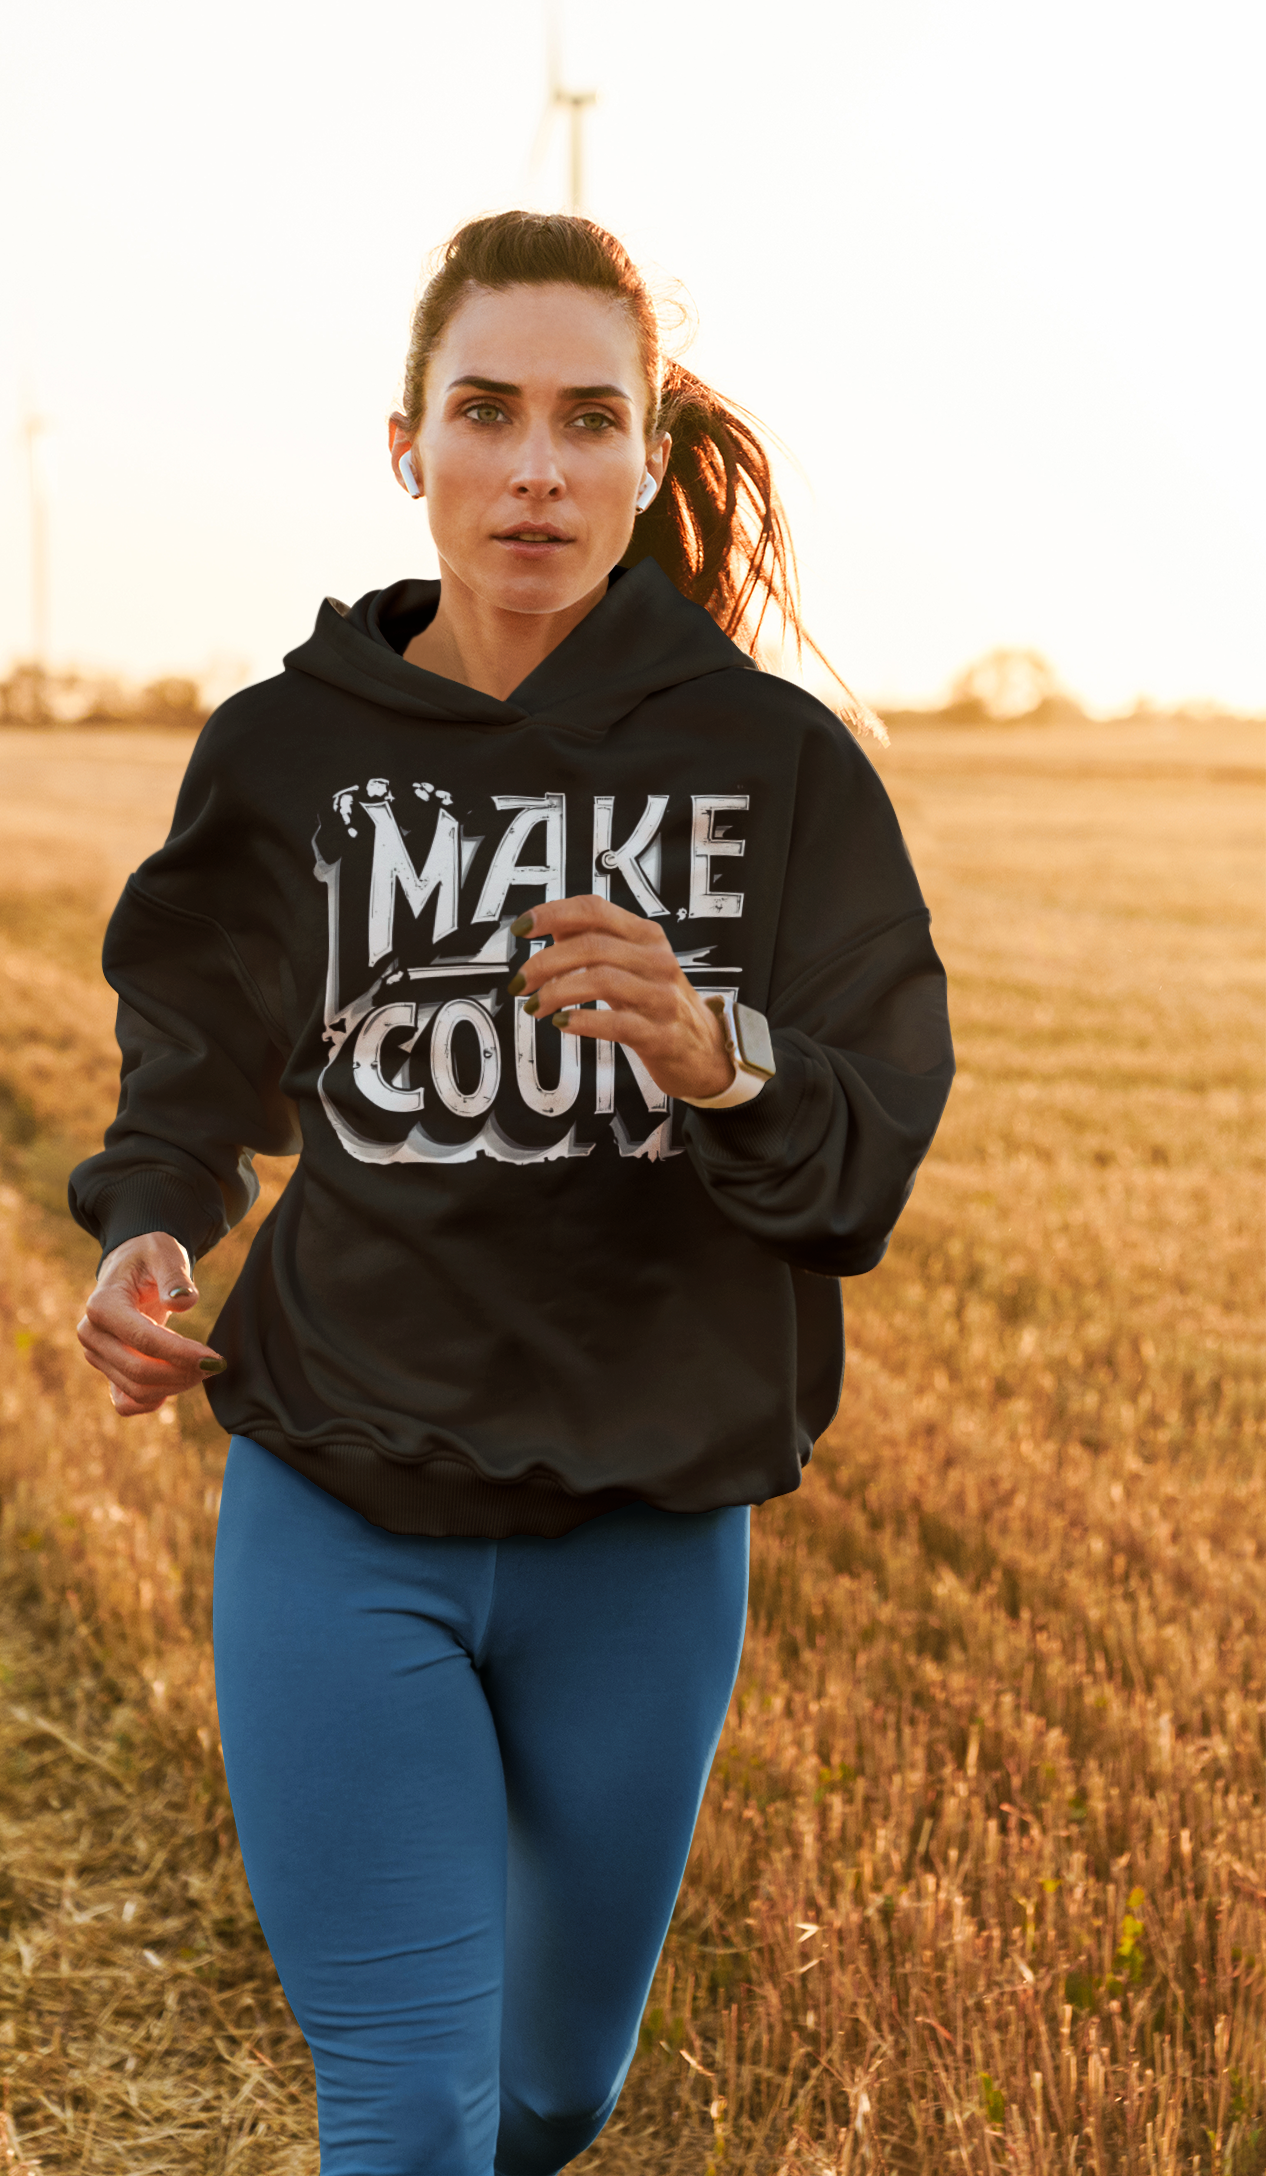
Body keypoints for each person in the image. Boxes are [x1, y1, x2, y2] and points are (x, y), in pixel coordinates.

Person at [69, 210, 953, 2176]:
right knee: (408, 2111)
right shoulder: (290, 750)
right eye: (487, 413)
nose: (535, 468)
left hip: (643, 1525)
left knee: (550, 2094)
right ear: (410, 446)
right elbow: (197, 1043)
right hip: (336, 1486)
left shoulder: (777, 771)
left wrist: (725, 1053)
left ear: (649, 457)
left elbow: (876, 1133)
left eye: (586, 420)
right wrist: (149, 1219)